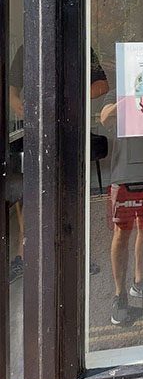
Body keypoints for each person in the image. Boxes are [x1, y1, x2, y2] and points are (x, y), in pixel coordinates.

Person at [8, 46, 109, 280]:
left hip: (69, 131)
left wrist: (69, 97)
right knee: (30, 195)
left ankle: (76, 253)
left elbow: (102, 86)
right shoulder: (28, 48)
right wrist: (18, 105)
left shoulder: (80, 45)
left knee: (70, 194)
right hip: (35, 130)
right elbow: (12, 90)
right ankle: (24, 257)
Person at [100, 98, 143, 326]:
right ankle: (119, 294)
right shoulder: (121, 90)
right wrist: (128, 99)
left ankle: (140, 281)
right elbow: (105, 118)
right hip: (124, 174)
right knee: (121, 232)